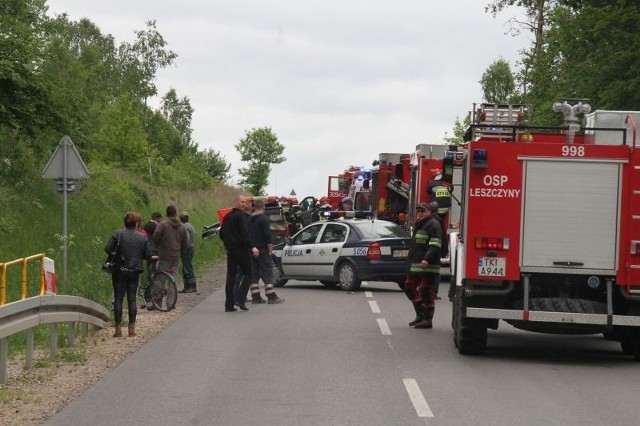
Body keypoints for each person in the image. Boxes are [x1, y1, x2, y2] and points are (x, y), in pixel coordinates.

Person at [104, 211, 152, 337]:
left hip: (119, 269)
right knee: (132, 299)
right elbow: (147, 255)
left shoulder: (117, 234)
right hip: (134, 270)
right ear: (136, 223)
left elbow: (107, 249)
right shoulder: (142, 237)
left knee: (118, 299)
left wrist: (117, 252)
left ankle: (118, 329)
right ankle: (131, 329)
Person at [403, 201, 443, 329]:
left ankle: (427, 319)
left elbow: (435, 244)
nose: (419, 213)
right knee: (409, 287)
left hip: (428, 265)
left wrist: (427, 259)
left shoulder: (433, 225)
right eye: (418, 211)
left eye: (422, 211)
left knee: (426, 290)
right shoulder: (419, 224)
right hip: (416, 265)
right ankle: (420, 315)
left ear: (429, 212)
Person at [219, 195, 259, 312]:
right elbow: (245, 233)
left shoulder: (227, 216)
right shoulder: (241, 216)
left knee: (231, 276)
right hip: (241, 250)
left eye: (245, 202)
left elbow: (221, 233)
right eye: (242, 202)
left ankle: (229, 304)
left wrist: (228, 243)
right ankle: (240, 300)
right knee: (248, 274)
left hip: (231, 250)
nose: (244, 204)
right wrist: (252, 247)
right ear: (236, 202)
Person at [247, 199, 285, 304]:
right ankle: (271, 296)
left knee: (254, 274)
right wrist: (270, 249)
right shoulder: (264, 219)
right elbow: (267, 235)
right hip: (263, 250)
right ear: (264, 208)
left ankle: (255, 296)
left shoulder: (249, 219)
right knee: (267, 272)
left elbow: (248, 235)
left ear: (254, 207)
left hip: (252, 250)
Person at [153, 205, 189, 306]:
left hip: (164, 255)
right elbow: (186, 242)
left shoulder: (163, 225)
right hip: (176, 257)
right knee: (172, 279)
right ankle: (171, 303)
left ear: (166, 213)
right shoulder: (182, 226)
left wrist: (159, 246)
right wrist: (181, 253)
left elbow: (156, 237)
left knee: (160, 278)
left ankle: (157, 301)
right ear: (176, 213)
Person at [140, 211, 162, 309]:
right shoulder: (156, 227)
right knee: (154, 273)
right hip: (154, 251)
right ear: (158, 218)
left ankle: (147, 294)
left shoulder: (146, 225)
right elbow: (158, 239)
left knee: (150, 272)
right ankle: (150, 294)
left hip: (147, 251)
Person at [179, 211, 198, 293]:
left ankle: (192, 286)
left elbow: (186, 240)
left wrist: (182, 249)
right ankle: (186, 286)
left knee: (187, 267)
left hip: (187, 248)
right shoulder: (190, 225)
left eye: (185, 216)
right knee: (186, 267)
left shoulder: (185, 227)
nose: (184, 218)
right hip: (190, 247)